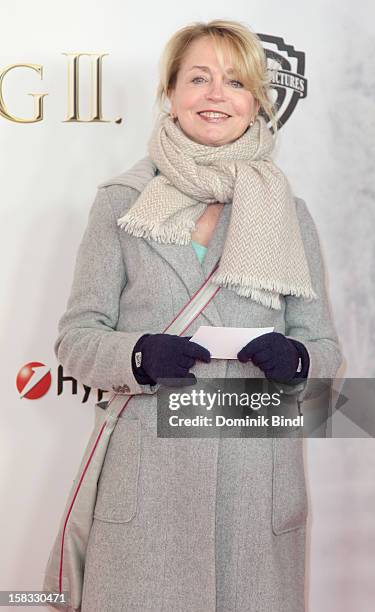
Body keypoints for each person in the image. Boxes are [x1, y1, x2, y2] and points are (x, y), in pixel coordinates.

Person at [54, 19, 343, 612]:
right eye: (199, 78)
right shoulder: (120, 202)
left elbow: (326, 350)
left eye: (235, 81)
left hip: (253, 484)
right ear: (171, 94)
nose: (217, 94)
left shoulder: (291, 213)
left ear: (256, 102)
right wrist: (136, 355)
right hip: (147, 491)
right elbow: (76, 338)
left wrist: (298, 358)